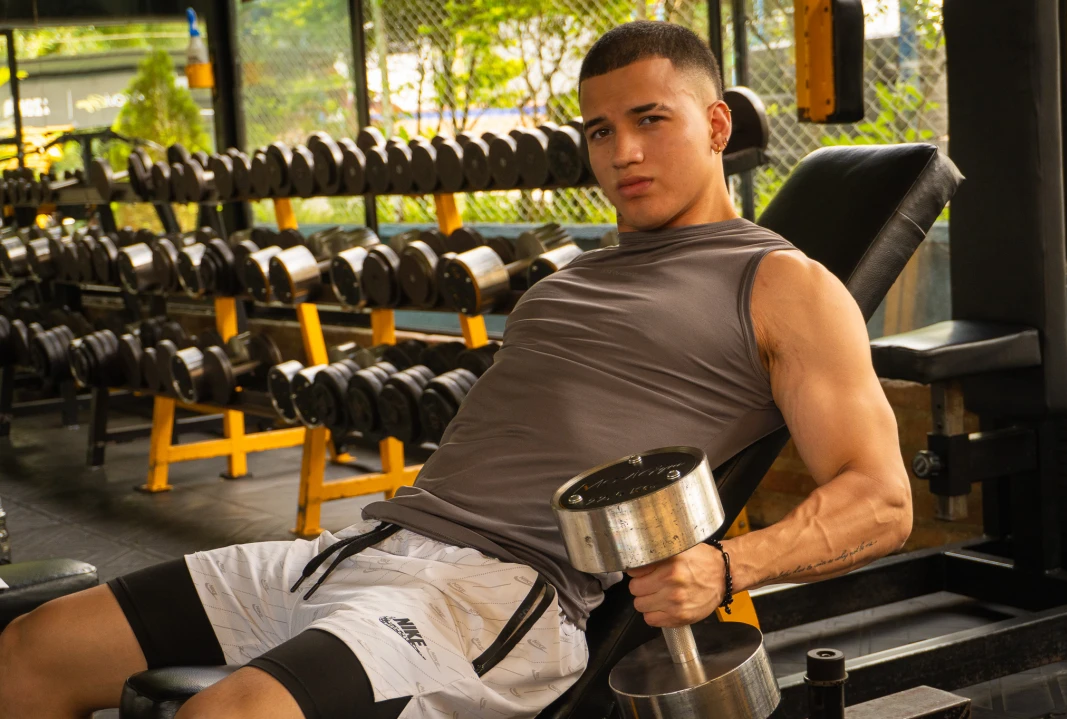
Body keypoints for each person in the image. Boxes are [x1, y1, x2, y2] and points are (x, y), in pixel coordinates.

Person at [0, 20, 913, 719]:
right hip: (365, 546)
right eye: (599, 130)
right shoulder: (567, 277)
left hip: (494, 593)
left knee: (232, 715)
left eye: (650, 120)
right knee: (32, 648)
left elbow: (881, 499)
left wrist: (725, 566)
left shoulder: (781, 283)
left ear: (716, 125)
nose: (622, 153)